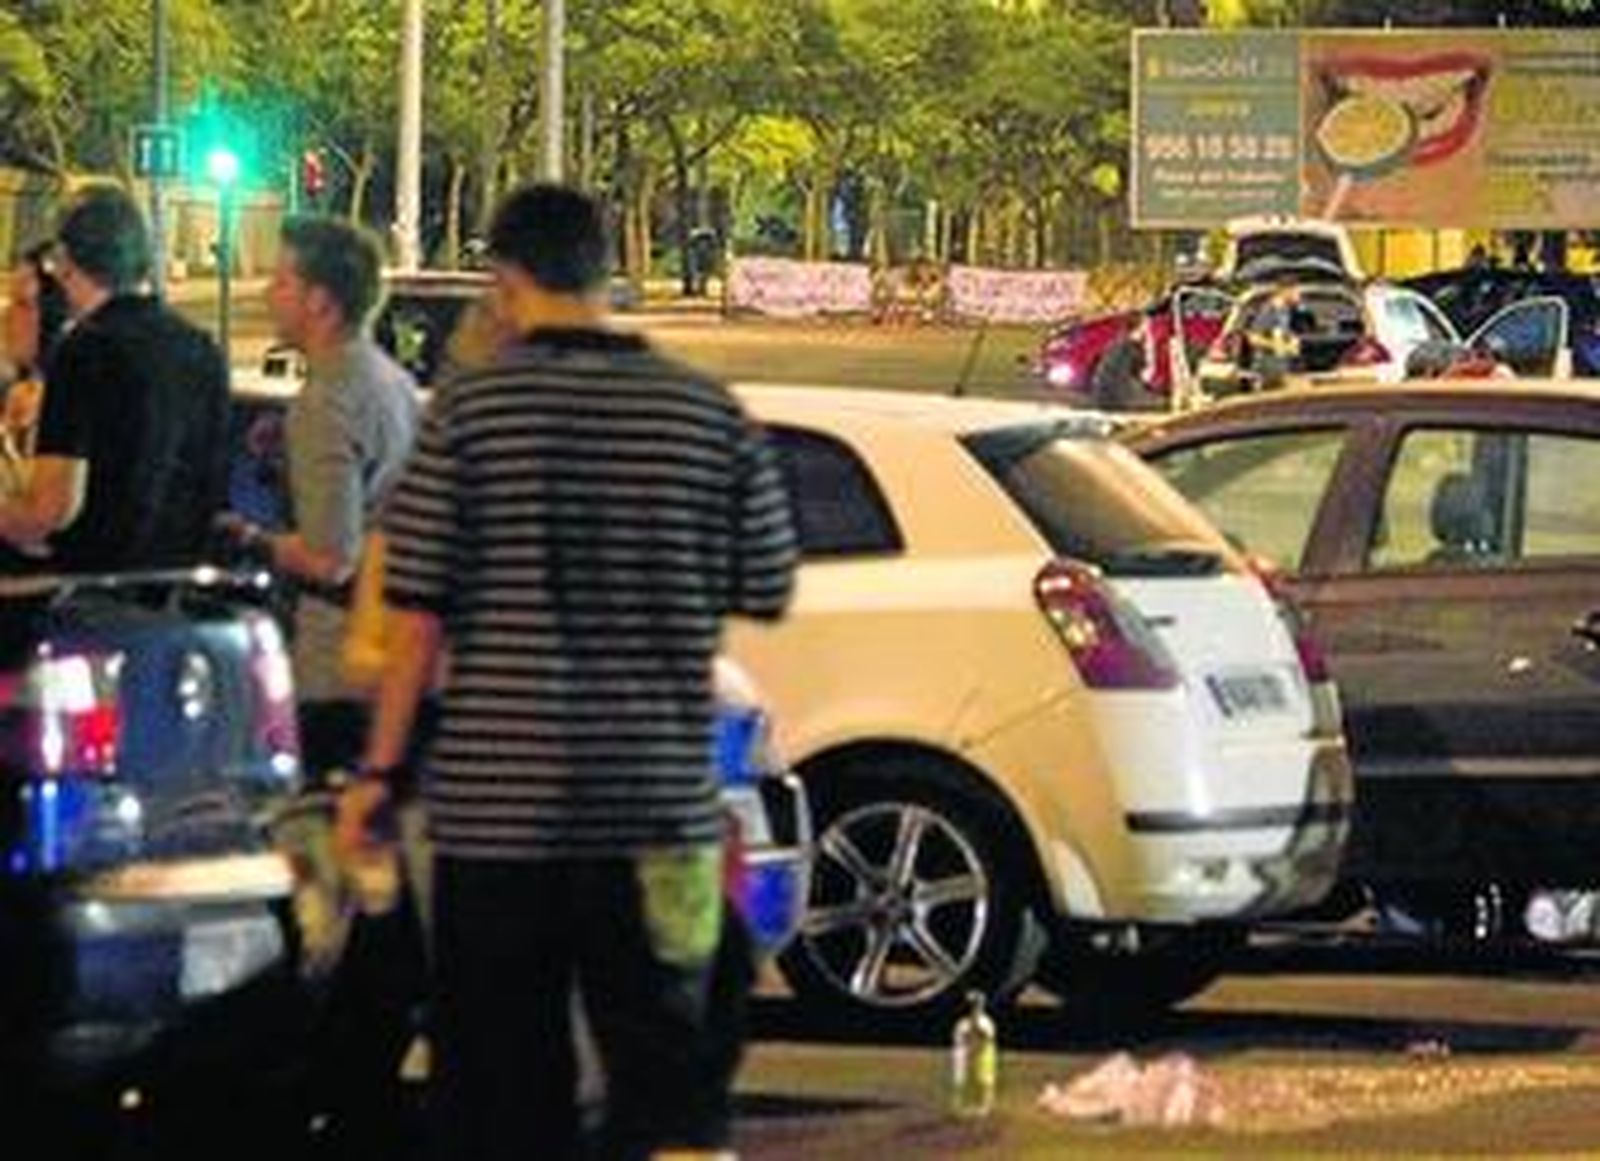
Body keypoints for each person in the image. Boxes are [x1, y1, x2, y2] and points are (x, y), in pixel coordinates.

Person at [336, 183, 799, 1161]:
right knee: (667, 1073)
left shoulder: (468, 416)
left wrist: (378, 775)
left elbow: (414, 614)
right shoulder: (706, 413)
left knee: (502, 1086)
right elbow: (763, 584)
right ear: (606, 275)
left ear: (506, 282)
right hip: (658, 813)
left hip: (498, 819)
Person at [224, 215, 422, 1153]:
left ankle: (342, 1081)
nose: (269, 292)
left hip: (337, 666)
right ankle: (371, 1069)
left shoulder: (326, 400)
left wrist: (251, 536)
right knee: (380, 886)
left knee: (329, 886)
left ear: (320, 298)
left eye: (282, 280)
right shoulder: (392, 386)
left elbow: (331, 554)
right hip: (394, 670)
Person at [0, 186, 230, 571]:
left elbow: (51, 509)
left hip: (90, 595)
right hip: (177, 588)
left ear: (64, 261)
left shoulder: (85, 350)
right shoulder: (201, 347)